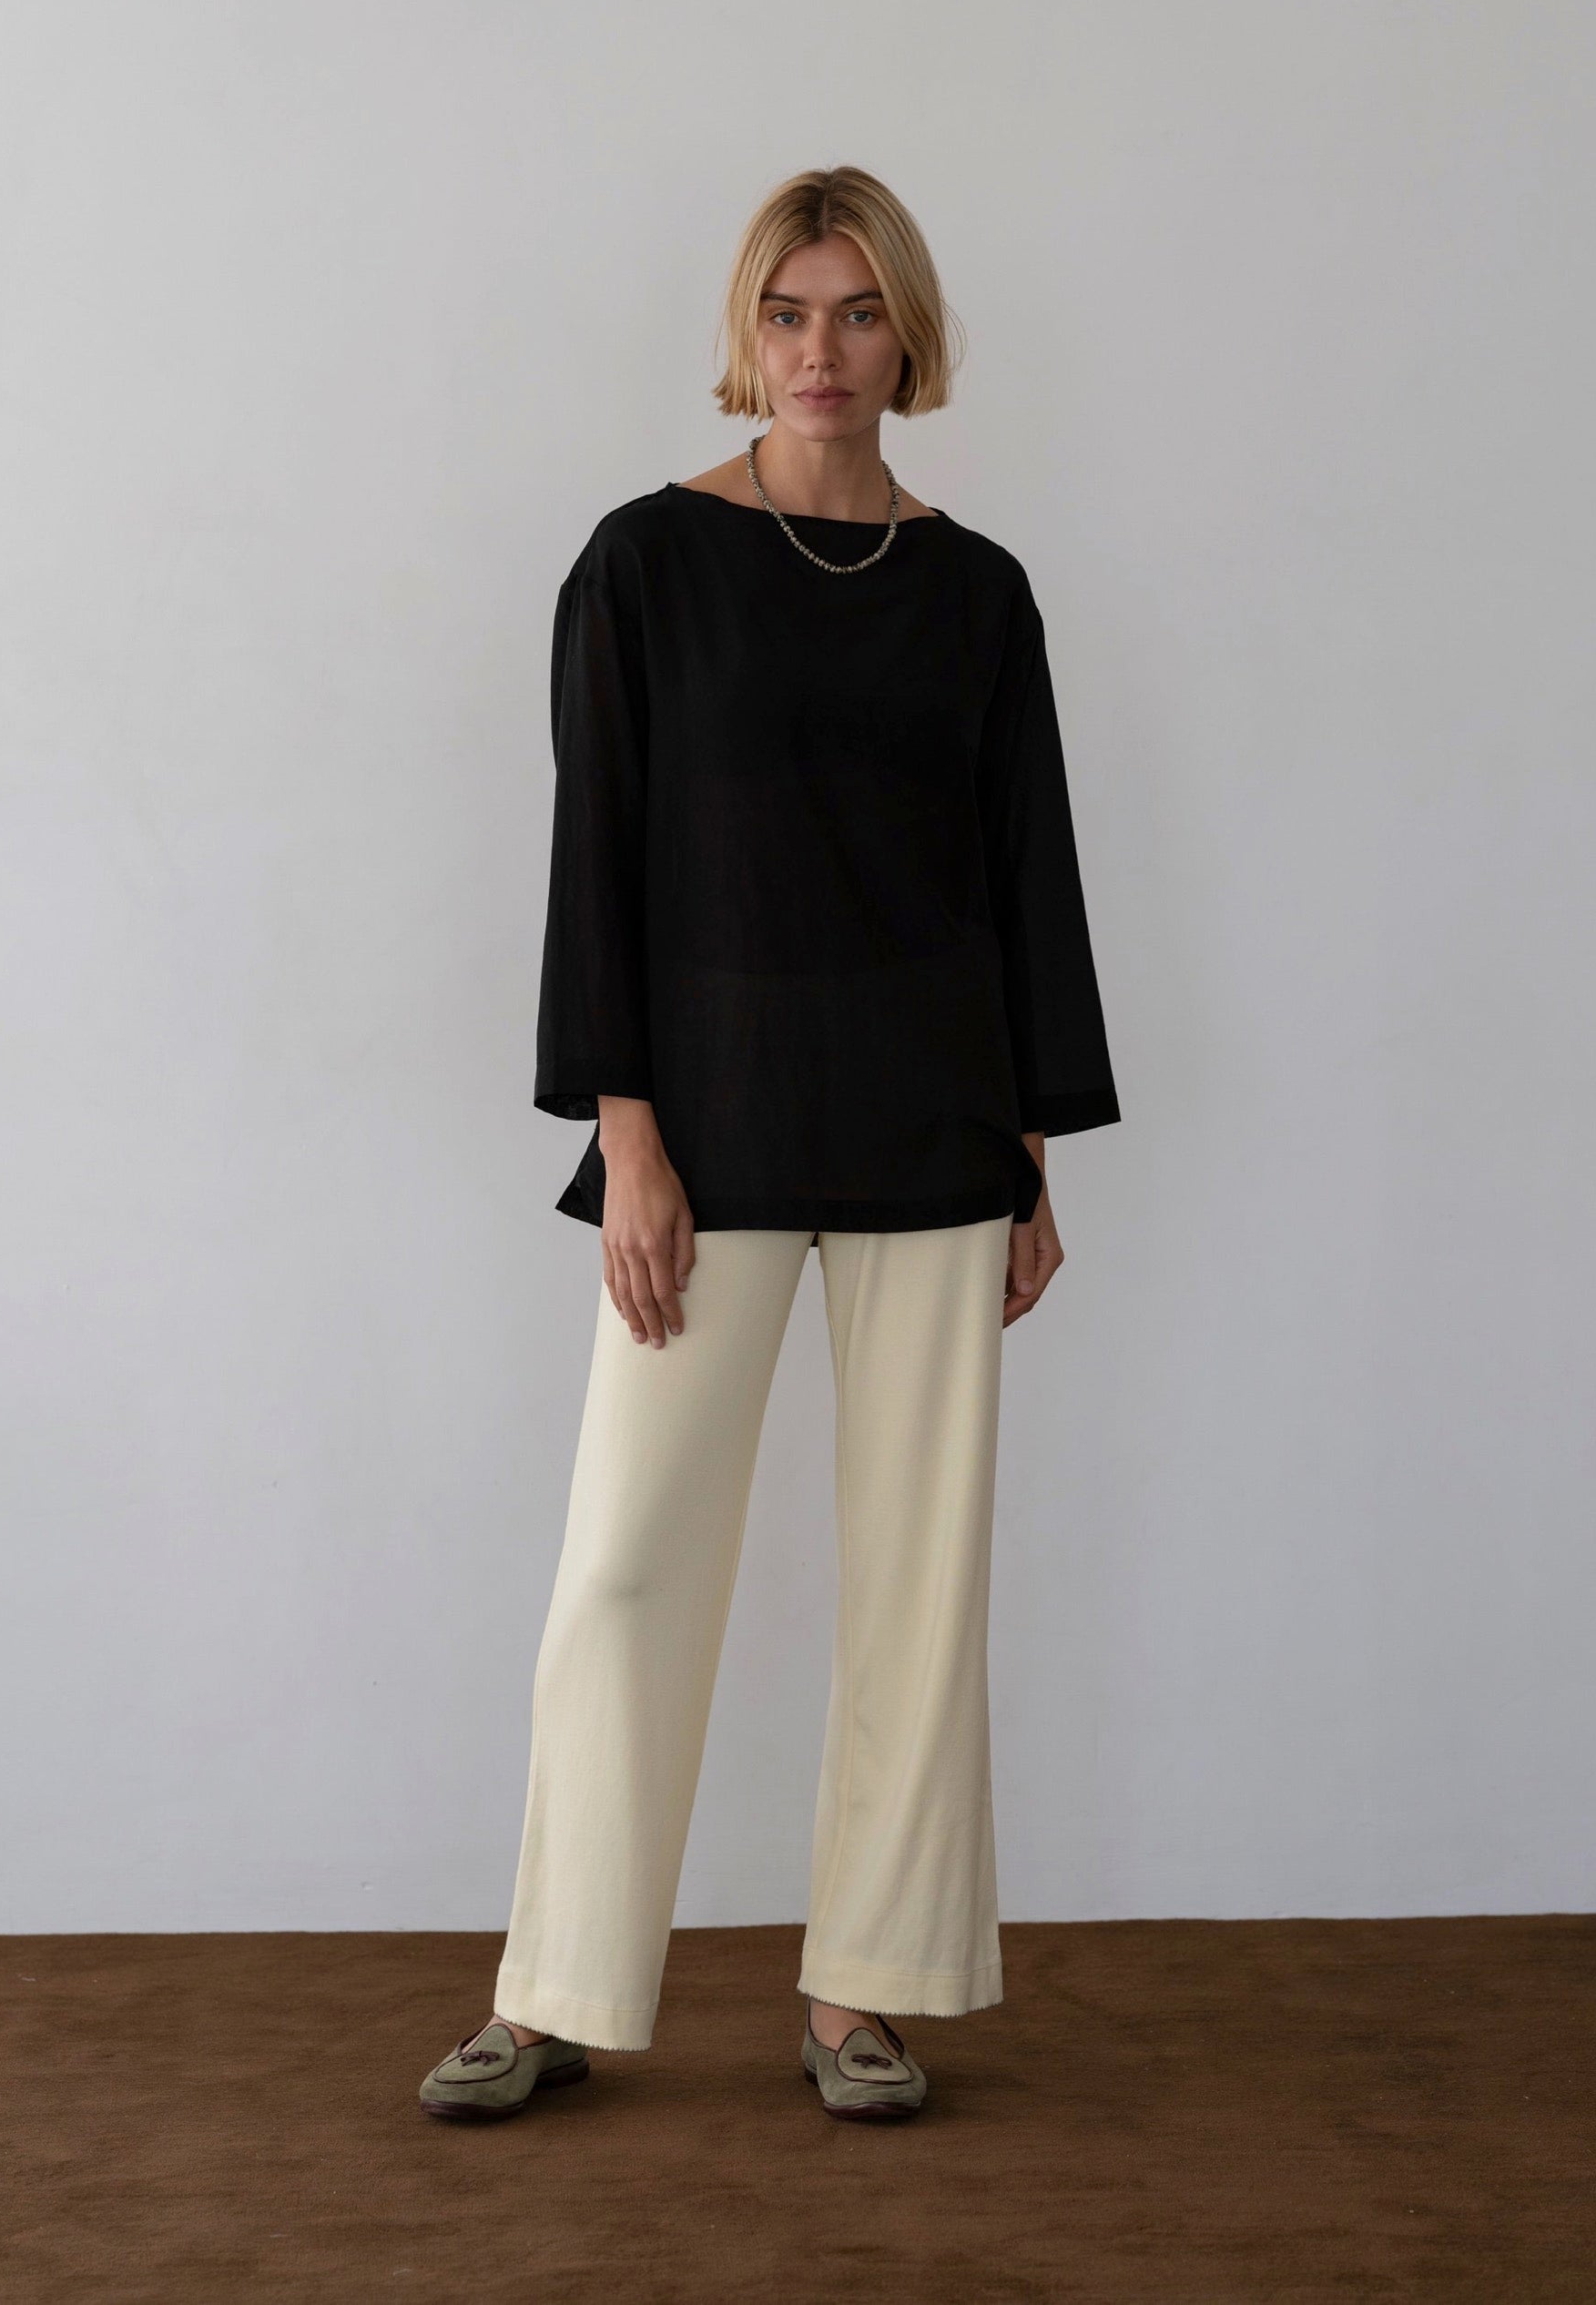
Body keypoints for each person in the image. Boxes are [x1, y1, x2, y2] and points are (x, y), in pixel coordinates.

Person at [420, 164, 1120, 2126]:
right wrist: (629, 1140)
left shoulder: (979, 595)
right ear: (748, 336)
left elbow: (1027, 882)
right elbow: (598, 868)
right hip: (708, 1135)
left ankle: (865, 1990)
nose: (825, 351)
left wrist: (1034, 1153)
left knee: (920, 1581)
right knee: (628, 1563)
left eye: (861, 313)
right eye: (792, 314)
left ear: (911, 338)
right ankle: (557, 1988)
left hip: (934, 1126)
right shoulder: (642, 566)